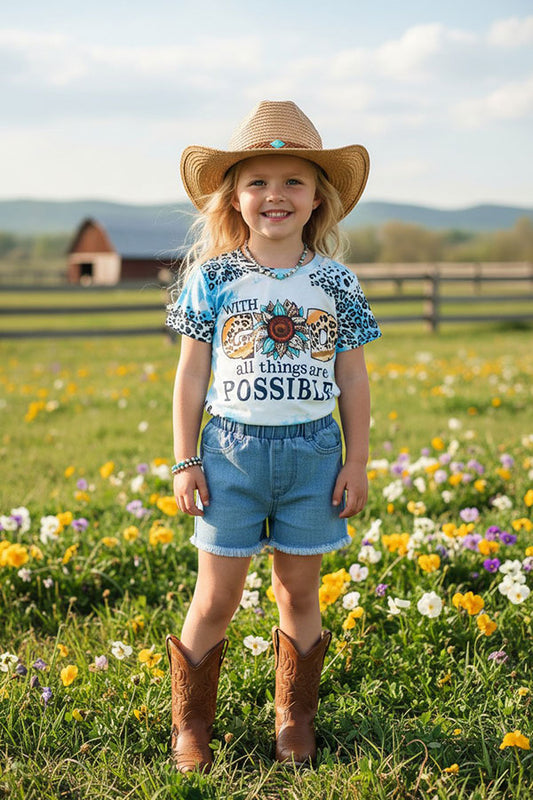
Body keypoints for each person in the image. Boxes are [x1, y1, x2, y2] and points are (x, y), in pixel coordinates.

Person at [165, 100, 381, 773]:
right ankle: (192, 726)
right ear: (234, 195)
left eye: (293, 181)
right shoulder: (215, 278)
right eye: (257, 181)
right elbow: (190, 377)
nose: (274, 195)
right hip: (229, 452)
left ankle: (293, 718)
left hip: (313, 456)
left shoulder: (336, 283)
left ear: (318, 198)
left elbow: (353, 379)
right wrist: (184, 459)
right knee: (215, 597)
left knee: (299, 591)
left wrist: (357, 462)